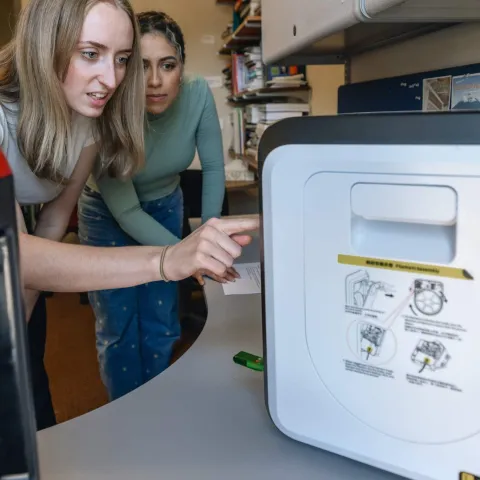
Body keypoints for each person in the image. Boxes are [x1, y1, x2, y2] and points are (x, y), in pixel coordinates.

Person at [0, 0, 258, 431]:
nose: (112, 79)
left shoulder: (87, 113)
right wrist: (170, 258)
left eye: (121, 60)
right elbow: (17, 256)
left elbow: (52, 221)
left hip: (21, 246)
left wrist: (16, 332)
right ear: (46, 41)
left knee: (27, 382)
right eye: (90, 54)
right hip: (36, 242)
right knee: (110, 329)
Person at [77, 11, 237, 402]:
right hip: (107, 215)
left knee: (162, 320)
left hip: (166, 202)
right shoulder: (109, 107)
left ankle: (157, 406)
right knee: (119, 327)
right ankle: (127, 415)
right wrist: (188, 255)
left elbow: (214, 168)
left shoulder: (198, 93)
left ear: (181, 66)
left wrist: (208, 237)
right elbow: (127, 211)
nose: (154, 81)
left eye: (167, 65)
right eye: (141, 67)